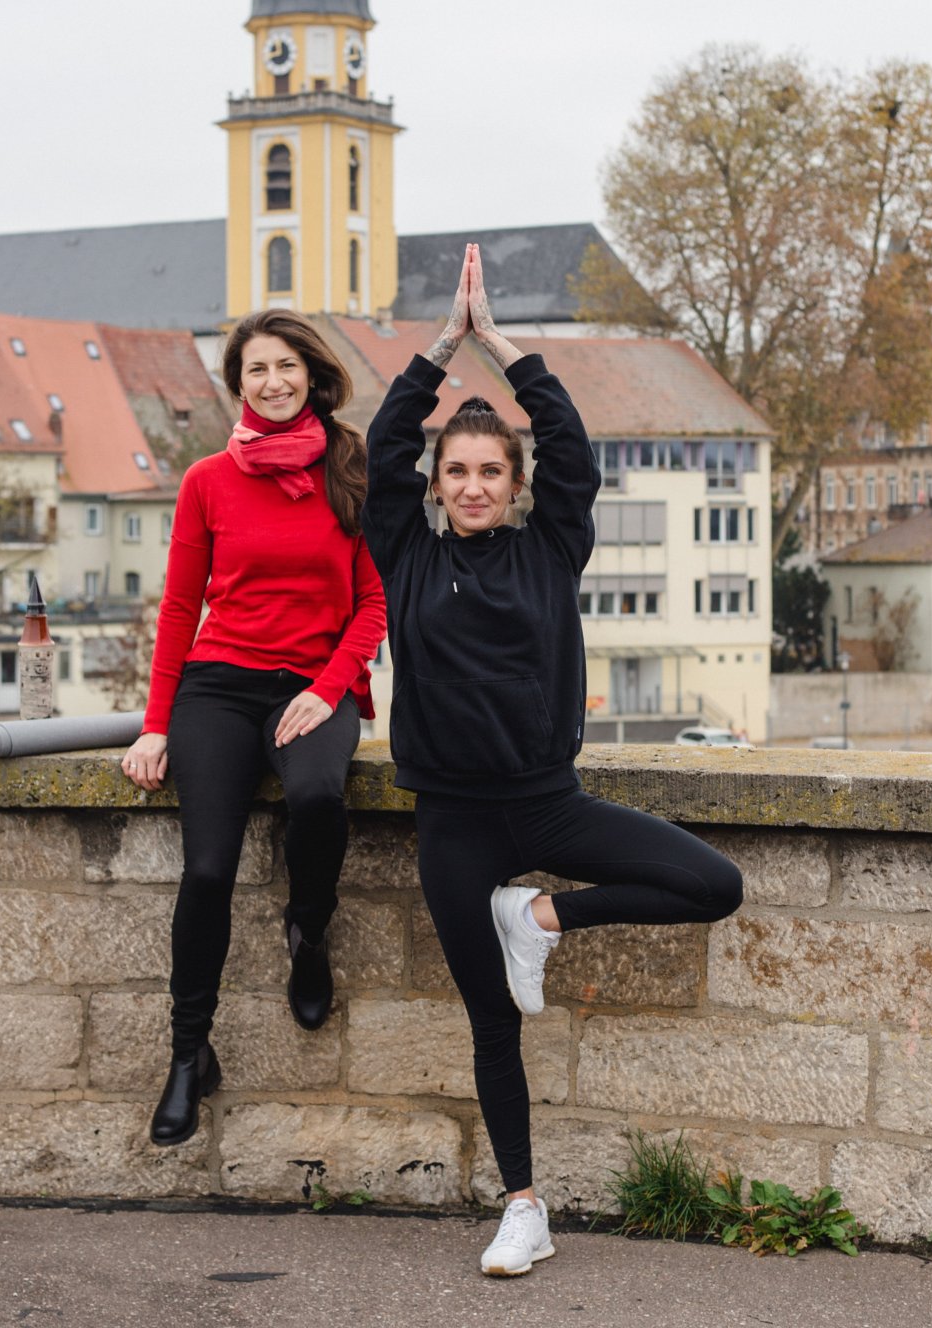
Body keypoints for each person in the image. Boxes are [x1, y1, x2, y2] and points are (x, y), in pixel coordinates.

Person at [363, 245, 743, 1278]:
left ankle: (534, 918)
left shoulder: (550, 546)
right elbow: (382, 443)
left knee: (712, 884)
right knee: (492, 1022)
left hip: (545, 807)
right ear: (434, 488)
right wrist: (443, 347)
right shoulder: (405, 552)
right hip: (450, 819)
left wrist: (509, 351)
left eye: (492, 471)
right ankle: (522, 1206)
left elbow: (573, 449)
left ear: (516, 484)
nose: (474, 485)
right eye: (457, 472)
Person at [121, 311, 385, 1147]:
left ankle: (308, 928)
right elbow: (178, 607)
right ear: (238, 385)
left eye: (285, 367)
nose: (272, 382)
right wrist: (156, 723)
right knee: (206, 870)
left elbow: (375, 602)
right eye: (255, 371)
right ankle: (188, 1052)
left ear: (311, 373)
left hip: (313, 685)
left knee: (316, 799)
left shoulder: (350, 466)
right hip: (220, 689)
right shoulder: (207, 480)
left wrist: (329, 687)